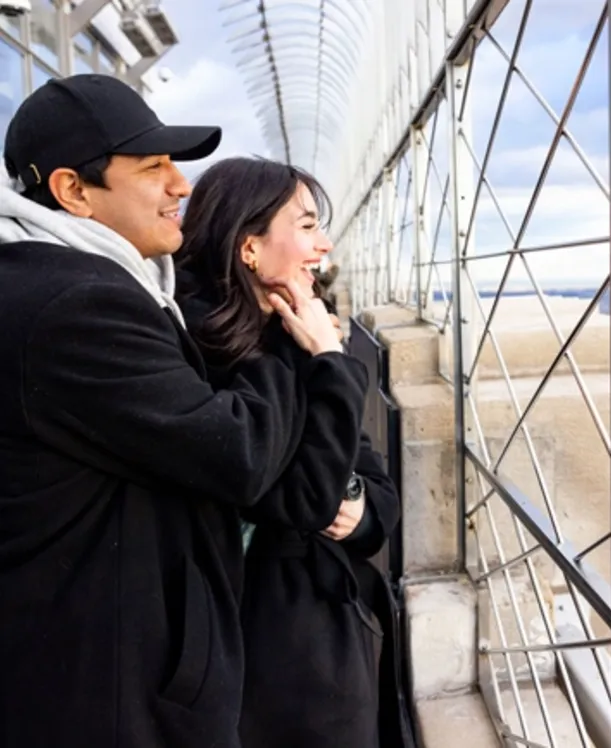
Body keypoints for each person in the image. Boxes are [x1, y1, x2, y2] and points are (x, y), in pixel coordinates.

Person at [0, 75, 367, 748]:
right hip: (107, 691)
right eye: (153, 167)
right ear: (73, 191)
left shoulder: (97, 287)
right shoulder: (74, 306)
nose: (181, 186)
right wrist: (306, 352)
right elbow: (239, 458)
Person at [176, 156, 415, 748]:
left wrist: (358, 507)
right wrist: (331, 365)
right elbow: (305, 498)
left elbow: (374, 485)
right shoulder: (199, 351)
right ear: (249, 247)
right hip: (267, 650)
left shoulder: (295, 330)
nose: (325, 244)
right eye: (307, 226)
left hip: (327, 625)